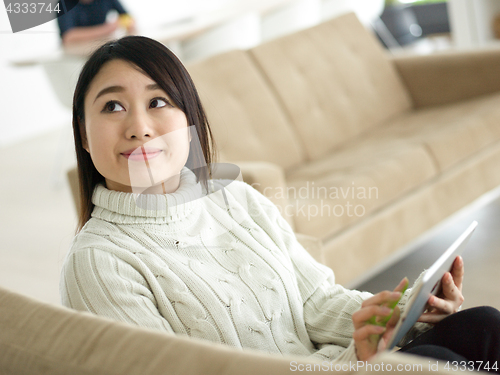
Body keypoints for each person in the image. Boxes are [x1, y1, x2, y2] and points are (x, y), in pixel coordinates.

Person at [60, 35, 500, 370]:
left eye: (157, 101)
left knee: (482, 325)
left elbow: (315, 300)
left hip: (339, 363)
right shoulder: (101, 263)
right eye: (113, 107)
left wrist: (403, 316)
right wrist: (356, 363)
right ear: (83, 134)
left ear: (189, 122)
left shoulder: (234, 196)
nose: (139, 126)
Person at [57, 0, 135, 46]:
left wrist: (129, 26)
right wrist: (107, 29)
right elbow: (68, 37)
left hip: (102, 44)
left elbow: (128, 17)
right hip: (76, 52)